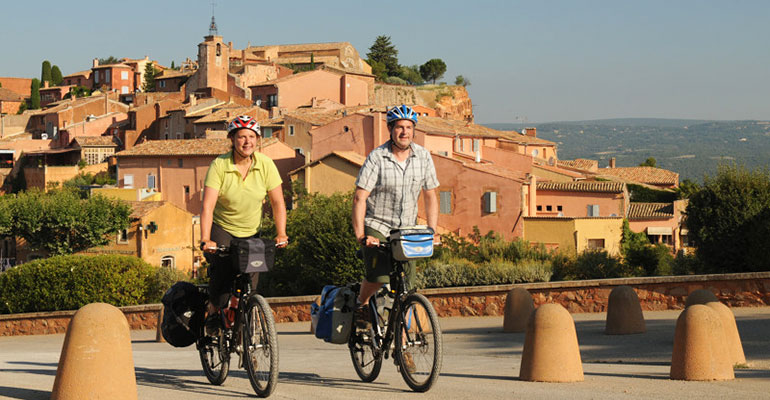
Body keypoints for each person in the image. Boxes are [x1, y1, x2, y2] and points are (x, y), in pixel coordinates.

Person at [200, 115, 288, 329]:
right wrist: (205, 238)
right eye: (241, 137)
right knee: (222, 279)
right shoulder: (219, 165)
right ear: (232, 139)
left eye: (251, 136)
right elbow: (208, 206)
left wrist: (281, 233)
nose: (247, 141)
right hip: (223, 229)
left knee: (251, 286)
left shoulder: (266, 164)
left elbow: (277, 203)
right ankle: (213, 310)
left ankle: (243, 331)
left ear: (257, 140)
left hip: (251, 232)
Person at [352, 104, 440, 311]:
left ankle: (401, 337)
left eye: (408, 127)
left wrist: (432, 230)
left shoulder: (423, 156)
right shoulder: (377, 157)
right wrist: (362, 236)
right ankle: (361, 305)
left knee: (408, 287)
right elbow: (359, 198)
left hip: (407, 229)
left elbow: (430, 196)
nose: (404, 132)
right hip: (379, 225)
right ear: (391, 129)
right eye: (399, 127)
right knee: (379, 278)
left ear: (414, 130)